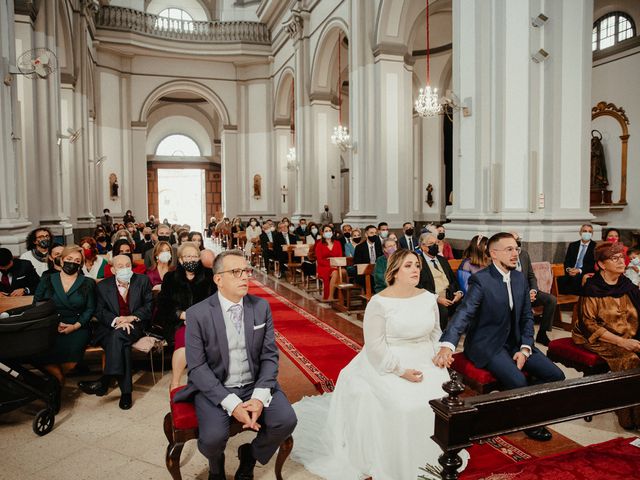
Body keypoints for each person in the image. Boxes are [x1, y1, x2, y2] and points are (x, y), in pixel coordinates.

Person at [291, 249, 469, 479]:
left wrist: (440, 354)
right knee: (403, 407)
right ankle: (400, 459)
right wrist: (401, 372)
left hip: (425, 357)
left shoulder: (427, 297)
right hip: (388, 361)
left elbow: (435, 332)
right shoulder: (380, 303)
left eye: (417, 265)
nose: (416, 269)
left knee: (442, 405)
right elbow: (375, 347)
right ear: (394, 271)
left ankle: (440, 455)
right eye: (408, 265)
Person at [172, 250, 297, 480]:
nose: (244, 277)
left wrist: (259, 397)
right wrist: (232, 404)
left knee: (286, 420)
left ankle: (250, 455)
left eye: (246, 271)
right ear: (218, 279)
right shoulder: (198, 314)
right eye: (236, 272)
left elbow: (270, 356)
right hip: (217, 385)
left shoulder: (260, 307)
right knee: (211, 440)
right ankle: (216, 465)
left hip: (254, 382)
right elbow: (198, 368)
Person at [435, 232, 565, 441]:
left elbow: (526, 317)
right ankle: (529, 421)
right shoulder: (481, 280)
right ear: (493, 254)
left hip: (515, 342)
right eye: (509, 249)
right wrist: (448, 345)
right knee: (517, 382)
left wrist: (524, 348)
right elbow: (464, 313)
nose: (515, 254)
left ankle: (518, 405)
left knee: (556, 375)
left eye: (517, 249)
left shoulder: (519, 278)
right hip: (487, 343)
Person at [573, 242, 640, 429]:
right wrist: (622, 342)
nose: (621, 261)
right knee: (630, 359)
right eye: (615, 258)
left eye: (622, 258)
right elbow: (588, 324)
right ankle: (630, 418)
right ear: (602, 264)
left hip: (627, 335)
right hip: (597, 337)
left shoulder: (628, 286)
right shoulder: (592, 288)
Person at [78, 254, 153, 409]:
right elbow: (99, 311)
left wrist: (132, 317)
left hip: (135, 326)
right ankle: (125, 393)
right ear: (112, 269)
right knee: (121, 342)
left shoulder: (142, 280)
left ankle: (105, 381)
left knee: (119, 337)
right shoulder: (102, 286)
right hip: (109, 328)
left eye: (128, 265)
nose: (125, 269)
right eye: (120, 266)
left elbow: (149, 306)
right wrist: (117, 320)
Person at [33, 245, 96, 385]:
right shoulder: (48, 279)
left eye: (77, 260)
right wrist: (53, 323)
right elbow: (37, 304)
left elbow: (90, 309)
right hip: (50, 324)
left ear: (80, 264)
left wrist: (74, 326)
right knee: (40, 355)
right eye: (69, 259)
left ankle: (55, 383)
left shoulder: (88, 283)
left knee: (71, 362)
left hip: (77, 325)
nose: (72, 263)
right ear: (61, 261)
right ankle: (58, 381)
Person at [157, 242, 215, 390]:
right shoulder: (170, 278)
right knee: (186, 337)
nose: (191, 260)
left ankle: (203, 382)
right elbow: (164, 304)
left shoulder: (209, 276)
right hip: (178, 322)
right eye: (187, 256)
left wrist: (198, 317)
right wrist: (182, 315)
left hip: (205, 321)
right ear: (181, 260)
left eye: (195, 256)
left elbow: (216, 302)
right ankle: (175, 383)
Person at [511, 233, 558, 346]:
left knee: (550, 299)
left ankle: (542, 333)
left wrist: (533, 290)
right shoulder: (505, 257)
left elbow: (531, 276)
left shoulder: (524, 255)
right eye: (514, 239)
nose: (517, 242)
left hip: (529, 291)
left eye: (518, 240)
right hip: (514, 294)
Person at [417, 233, 463, 330]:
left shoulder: (442, 260)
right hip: (432, 298)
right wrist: (436, 298)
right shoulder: (418, 263)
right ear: (423, 247)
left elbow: (453, 279)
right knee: (442, 311)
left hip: (450, 295)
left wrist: (458, 292)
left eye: (436, 243)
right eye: (431, 243)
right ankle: (441, 339)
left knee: (467, 305)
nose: (435, 246)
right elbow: (419, 286)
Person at [559, 224, 597, 295]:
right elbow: (567, 261)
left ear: (592, 234)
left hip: (584, 273)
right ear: (580, 232)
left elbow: (592, 264)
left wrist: (579, 270)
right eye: (585, 231)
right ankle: (564, 304)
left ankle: (576, 303)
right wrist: (569, 269)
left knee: (576, 280)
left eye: (589, 232)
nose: (587, 233)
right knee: (560, 280)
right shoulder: (573, 245)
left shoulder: (595, 247)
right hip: (571, 272)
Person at [315, 225, 343, 301]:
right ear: (323, 233)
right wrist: (331, 263)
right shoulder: (319, 245)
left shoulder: (337, 243)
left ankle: (340, 296)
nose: (328, 232)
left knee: (340, 272)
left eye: (330, 231)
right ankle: (330, 296)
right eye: (326, 231)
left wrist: (334, 263)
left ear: (333, 232)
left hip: (336, 265)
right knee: (335, 272)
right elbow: (319, 260)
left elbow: (340, 256)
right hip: (323, 266)